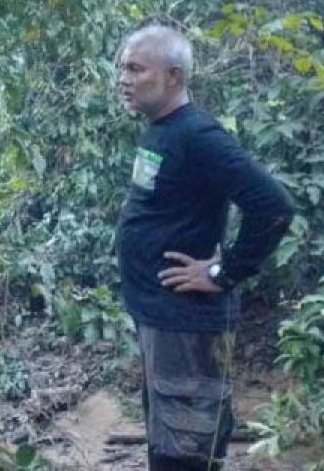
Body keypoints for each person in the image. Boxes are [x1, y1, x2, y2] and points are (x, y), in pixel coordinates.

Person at [115, 24, 294, 471]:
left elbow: (272, 205)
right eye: (122, 68)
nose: (124, 79)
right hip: (161, 317)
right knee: (169, 440)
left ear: (173, 77)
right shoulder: (161, 128)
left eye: (136, 69)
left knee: (187, 450)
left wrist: (223, 272)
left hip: (187, 323)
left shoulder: (199, 135)